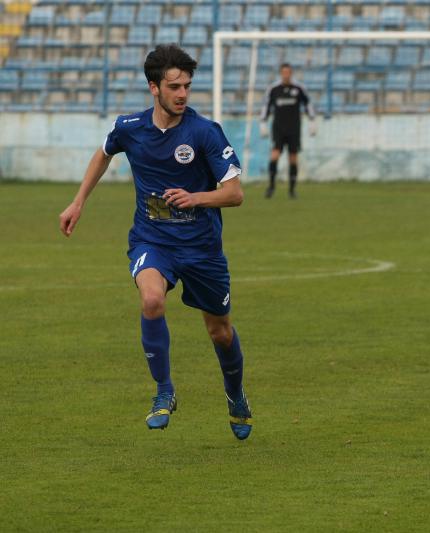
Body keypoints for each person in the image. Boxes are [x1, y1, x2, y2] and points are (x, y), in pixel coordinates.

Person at [58, 44, 253, 440]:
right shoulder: (131, 127)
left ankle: (235, 395)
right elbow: (104, 152)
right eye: (174, 86)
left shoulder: (204, 132)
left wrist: (196, 197)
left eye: (187, 86)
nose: (182, 93)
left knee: (220, 331)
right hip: (153, 239)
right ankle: (164, 391)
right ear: (154, 88)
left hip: (201, 248)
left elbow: (235, 193)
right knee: (151, 299)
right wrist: (78, 201)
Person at [259, 63, 316, 199]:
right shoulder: (274, 89)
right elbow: (266, 105)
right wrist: (263, 122)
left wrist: (312, 120)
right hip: (278, 128)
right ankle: (271, 187)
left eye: (288, 72)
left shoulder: (299, 88)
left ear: (291, 73)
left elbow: (308, 104)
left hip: (294, 128)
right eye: (284, 72)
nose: (286, 75)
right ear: (281, 73)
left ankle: (292, 190)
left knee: (293, 158)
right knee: (274, 155)